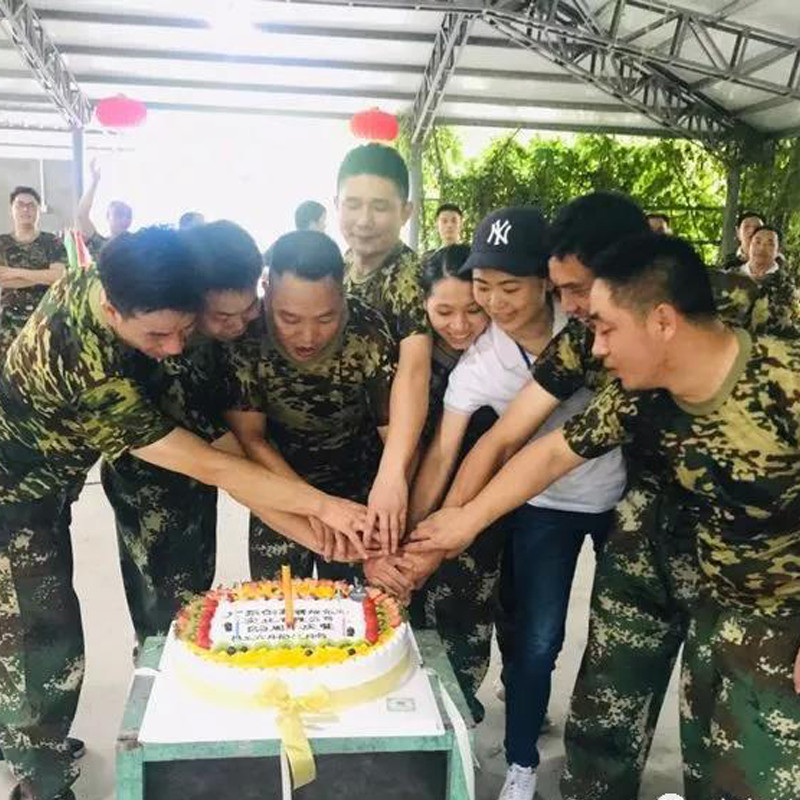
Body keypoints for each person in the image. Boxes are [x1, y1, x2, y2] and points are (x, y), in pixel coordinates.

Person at [420, 191, 792, 800]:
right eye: (561, 291)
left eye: (583, 296)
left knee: (732, 734)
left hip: (756, 565)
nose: (577, 319)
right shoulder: (605, 365)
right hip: (645, 517)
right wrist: (450, 528)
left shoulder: (769, 349)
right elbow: (533, 445)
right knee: (605, 705)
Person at [0, 227, 367, 800]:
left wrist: (310, 527)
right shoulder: (85, 364)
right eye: (159, 335)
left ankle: (36, 743)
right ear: (111, 309)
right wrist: (325, 509)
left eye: (184, 331)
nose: (174, 347)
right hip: (13, 489)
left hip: (57, 475)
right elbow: (215, 465)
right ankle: (39, 779)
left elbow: (222, 446)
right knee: (40, 636)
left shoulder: (132, 279)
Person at [427, 208, 628, 800]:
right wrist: (437, 526)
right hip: (544, 503)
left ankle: (604, 762)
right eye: (483, 287)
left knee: (619, 636)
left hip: (623, 497)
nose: (495, 302)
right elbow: (474, 448)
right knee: (539, 638)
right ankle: (521, 763)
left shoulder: (594, 323)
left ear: (547, 280)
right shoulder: (482, 362)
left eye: (510, 286)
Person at [100, 221, 266, 644]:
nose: (239, 325)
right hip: (153, 489)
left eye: (248, 308)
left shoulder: (219, 330)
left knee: (194, 597)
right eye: (222, 316)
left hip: (200, 477)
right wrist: (319, 520)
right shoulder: (170, 359)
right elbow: (230, 463)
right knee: (169, 618)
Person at [222, 230, 399, 582]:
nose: (307, 337)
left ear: (343, 295)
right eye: (289, 319)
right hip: (277, 491)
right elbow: (251, 440)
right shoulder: (244, 336)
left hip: (360, 499)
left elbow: (393, 433)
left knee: (360, 617)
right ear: (266, 288)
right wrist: (313, 506)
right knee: (280, 615)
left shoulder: (368, 330)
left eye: (325, 319)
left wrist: (381, 518)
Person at [369, 243, 498, 721]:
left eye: (474, 310)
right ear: (421, 306)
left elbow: (468, 452)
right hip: (407, 504)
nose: (460, 325)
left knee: (466, 619)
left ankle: (459, 721)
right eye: (443, 311)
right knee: (404, 618)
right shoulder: (403, 360)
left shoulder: (497, 358)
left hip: (473, 513)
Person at [337, 143, 432, 551]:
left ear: (405, 212)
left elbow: (414, 371)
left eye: (379, 206)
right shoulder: (339, 268)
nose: (364, 220)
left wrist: (393, 473)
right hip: (349, 456)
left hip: (400, 455)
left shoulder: (410, 277)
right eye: (353, 204)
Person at [0, 186, 66, 362]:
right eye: (20, 204)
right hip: (8, 326)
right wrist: (42, 277)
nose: (25, 209)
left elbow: (59, 277)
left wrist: (14, 272)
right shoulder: (2, 243)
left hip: (46, 321)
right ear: (11, 209)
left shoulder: (52, 241)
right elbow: (2, 279)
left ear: (38, 210)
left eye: (31, 205)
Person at [75, 159, 133, 258]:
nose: (124, 219)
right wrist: (94, 183)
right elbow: (82, 215)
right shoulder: (101, 245)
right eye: (118, 214)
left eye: (128, 215)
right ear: (108, 216)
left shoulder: (139, 246)